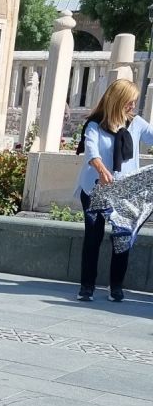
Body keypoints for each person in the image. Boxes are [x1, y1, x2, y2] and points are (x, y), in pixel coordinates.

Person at [76, 78, 153, 302]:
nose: (133, 106)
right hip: (96, 188)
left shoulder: (137, 123)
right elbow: (91, 151)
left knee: (122, 237)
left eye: (135, 102)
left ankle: (116, 286)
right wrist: (101, 169)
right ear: (118, 100)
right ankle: (87, 287)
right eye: (130, 102)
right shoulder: (95, 124)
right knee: (94, 236)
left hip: (125, 191)